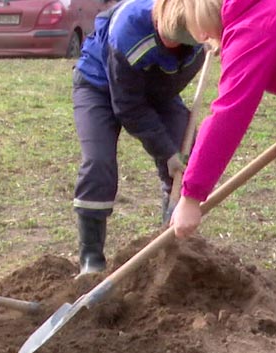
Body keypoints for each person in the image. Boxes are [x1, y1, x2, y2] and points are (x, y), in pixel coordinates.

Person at [168, 0, 276, 353]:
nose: (206, 41)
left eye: (201, 31)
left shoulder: (253, 27)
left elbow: (229, 114)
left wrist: (191, 195)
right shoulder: (273, 10)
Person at [71, 0, 204, 277]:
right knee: (99, 164)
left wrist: (173, 152)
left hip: (158, 91)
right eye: (170, 41)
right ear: (160, 24)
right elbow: (129, 107)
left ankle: (173, 253)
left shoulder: (203, 23)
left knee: (186, 160)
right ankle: (91, 262)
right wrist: (164, 152)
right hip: (99, 86)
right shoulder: (128, 30)